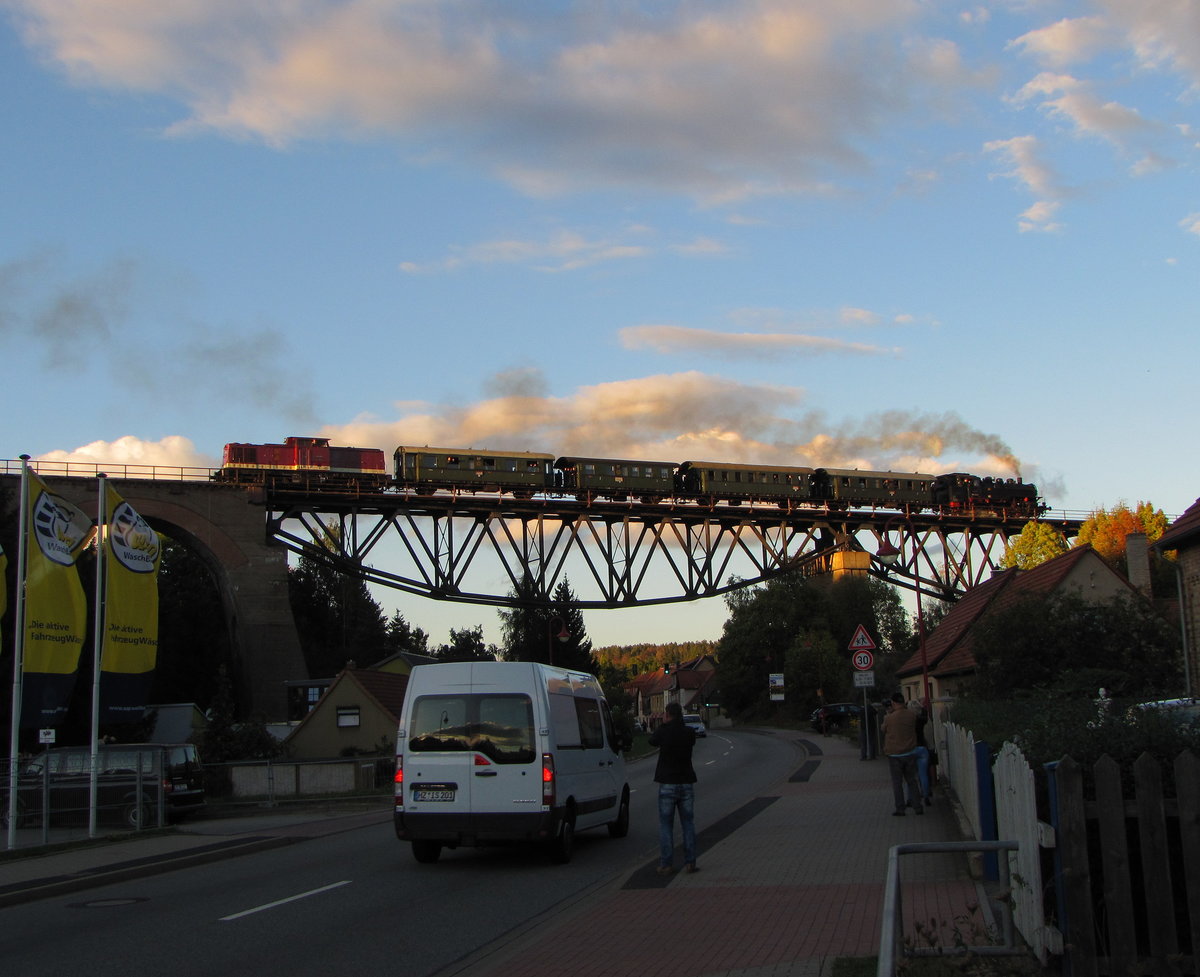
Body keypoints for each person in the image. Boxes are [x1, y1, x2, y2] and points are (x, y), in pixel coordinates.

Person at [649, 700, 698, 874]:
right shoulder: (689, 732)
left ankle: (666, 863)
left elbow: (652, 740)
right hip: (686, 782)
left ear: (668, 715)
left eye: (664, 714)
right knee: (688, 824)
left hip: (668, 783)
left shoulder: (663, 732)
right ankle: (690, 861)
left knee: (666, 825)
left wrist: (663, 726)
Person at [881, 692, 923, 817]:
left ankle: (900, 808)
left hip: (894, 755)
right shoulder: (911, 715)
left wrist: (888, 715)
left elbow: (883, 729)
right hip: (910, 752)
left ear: (893, 703)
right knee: (912, 780)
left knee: (897, 783)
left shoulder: (889, 718)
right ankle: (918, 807)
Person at [908, 699, 933, 808]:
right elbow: (924, 713)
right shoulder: (922, 720)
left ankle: (910, 798)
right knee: (923, 775)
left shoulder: (908, 720)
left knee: (911, 776)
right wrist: (921, 707)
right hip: (922, 748)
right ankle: (926, 795)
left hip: (910, 748)